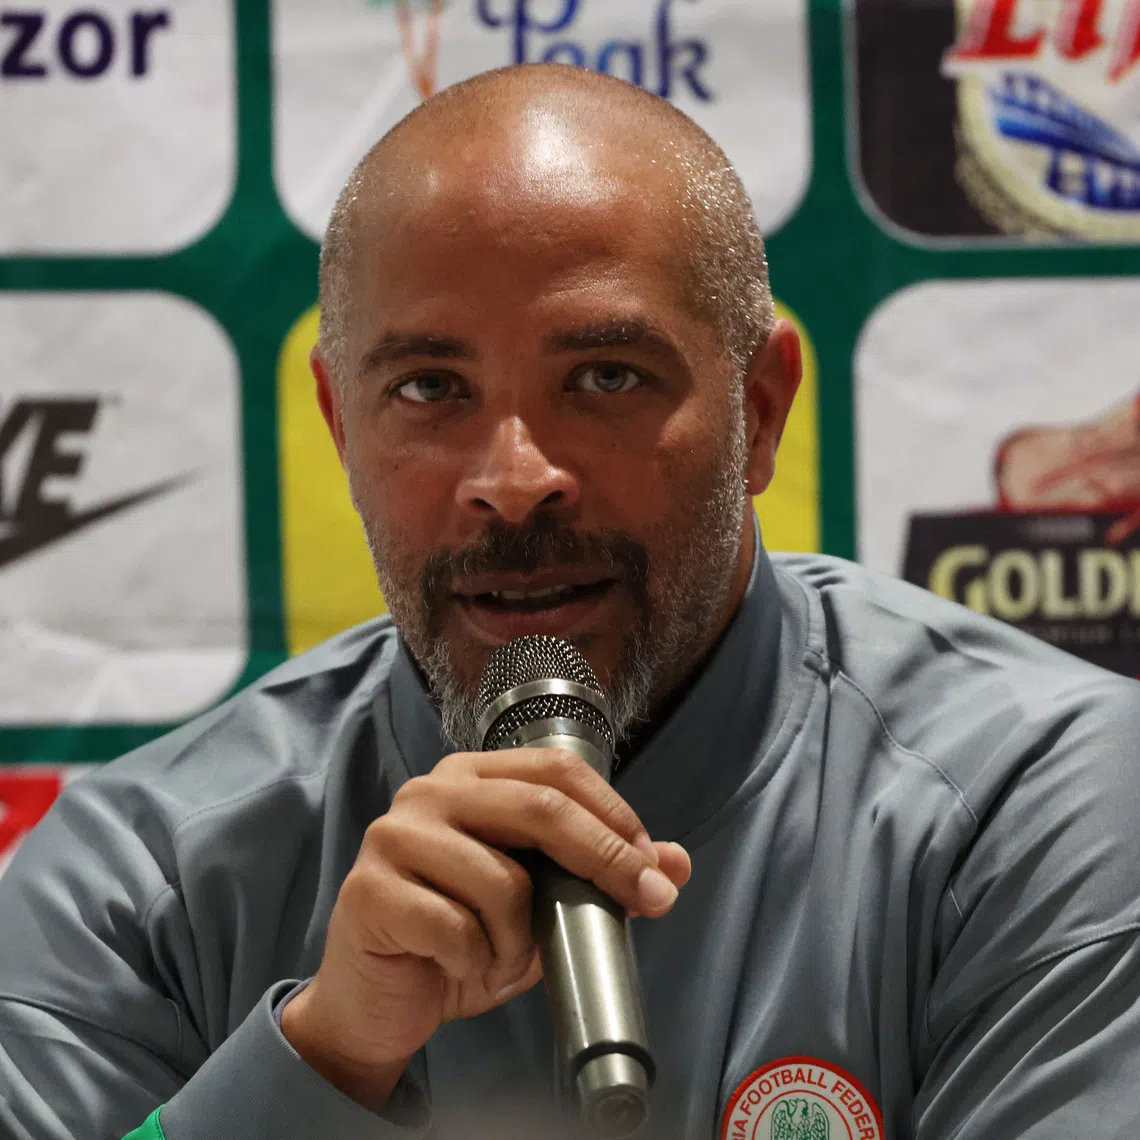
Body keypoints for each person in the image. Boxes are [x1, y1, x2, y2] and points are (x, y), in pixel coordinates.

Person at [2, 62, 1140, 1140]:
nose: (513, 477)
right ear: (343, 428)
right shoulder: (137, 877)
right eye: (429, 388)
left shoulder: (1033, 798)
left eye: (605, 378)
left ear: (761, 409)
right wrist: (320, 1061)